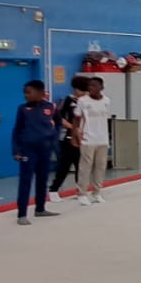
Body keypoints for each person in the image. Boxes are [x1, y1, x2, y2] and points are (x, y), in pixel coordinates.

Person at [12, 80, 60, 226]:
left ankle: (40, 208)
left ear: (40, 93)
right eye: (25, 92)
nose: (25, 95)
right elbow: (17, 130)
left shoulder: (51, 107)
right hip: (28, 150)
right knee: (25, 181)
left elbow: (58, 123)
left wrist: (53, 138)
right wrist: (16, 149)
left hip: (45, 149)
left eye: (29, 92)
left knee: (43, 179)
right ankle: (22, 214)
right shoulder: (23, 109)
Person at [74, 76, 113, 205]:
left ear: (101, 87)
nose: (91, 88)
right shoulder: (82, 101)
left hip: (102, 138)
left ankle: (97, 192)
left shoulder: (107, 100)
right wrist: (75, 134)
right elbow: (77, 118)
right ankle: (82, 193)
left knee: (100, 167)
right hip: (87, 138)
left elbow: (105, 117)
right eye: (89, 85)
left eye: (94, 85)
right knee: (85, 167)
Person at [50, 76, 87, 194]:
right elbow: (59, 117)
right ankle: (54, 189)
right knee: (65, 165)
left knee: (81, 166)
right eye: (79, 90)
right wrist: (72, 127)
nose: (81, 92)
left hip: (84, 137)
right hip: (69, 138)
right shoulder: (69, 100)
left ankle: (80, 190)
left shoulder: (88, 102)